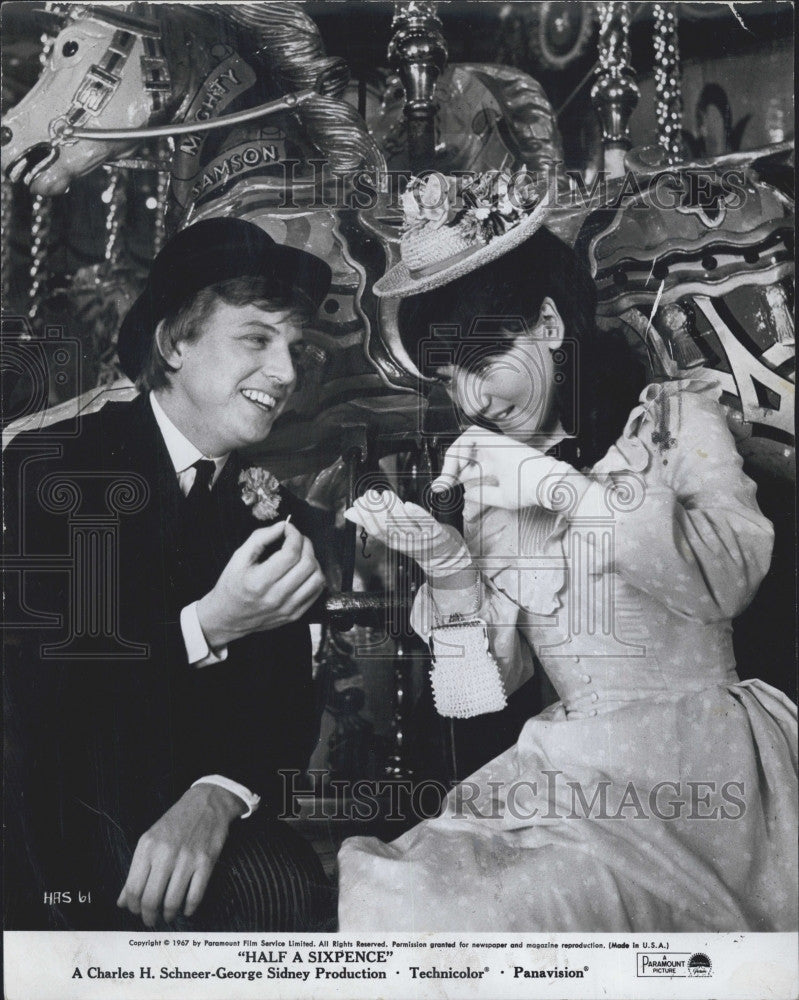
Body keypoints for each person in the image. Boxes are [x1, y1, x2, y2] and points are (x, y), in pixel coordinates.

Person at [337, 171, 798, 931]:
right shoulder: (486, 482)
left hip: (700, 772)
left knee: (502, 913)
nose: (470, 402)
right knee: (406, 896)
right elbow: (479, 696)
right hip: (567, 774)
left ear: (548, 325)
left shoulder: (670, 421)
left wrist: (557, 488)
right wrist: (452, 571)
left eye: (481, 362)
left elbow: (725, 582)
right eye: (449, 378)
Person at [4, 218, 334, 931]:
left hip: (195, 806)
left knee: (287, 887)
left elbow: (282, 715)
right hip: (48, 803)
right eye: (256, 339)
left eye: (293, 348)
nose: (286, 372)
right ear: (175, 343)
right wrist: (209, 624)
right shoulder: (61, 465)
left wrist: (218, 793)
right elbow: (46, 687)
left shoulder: (278, 514)